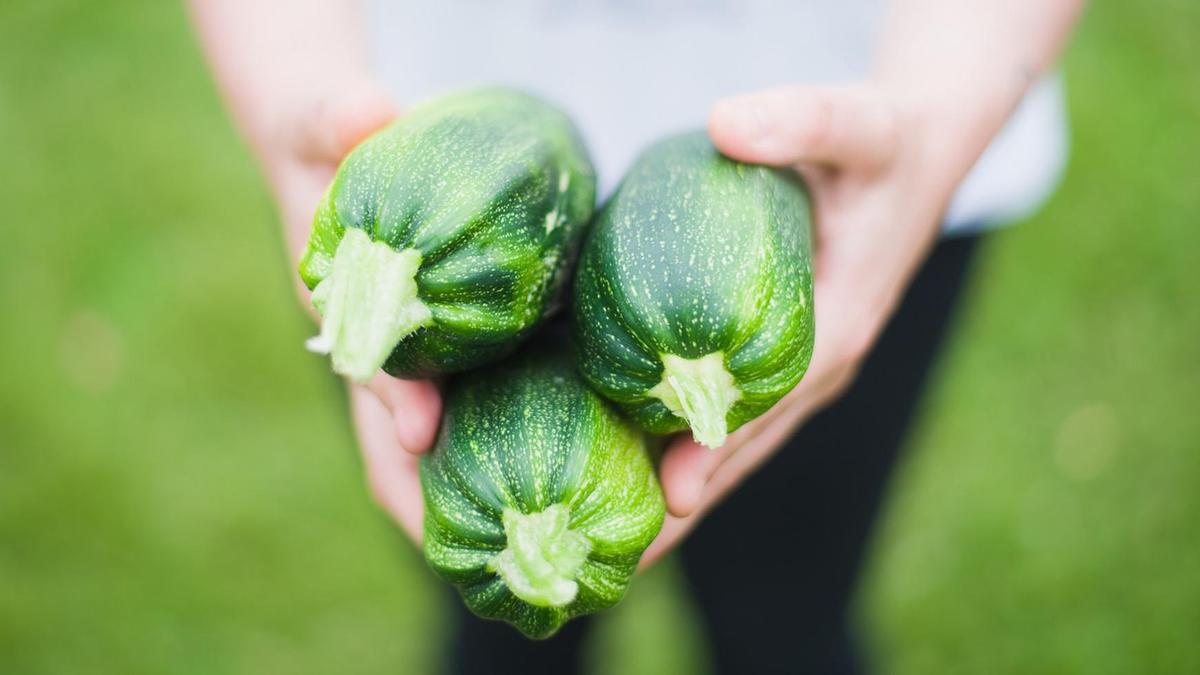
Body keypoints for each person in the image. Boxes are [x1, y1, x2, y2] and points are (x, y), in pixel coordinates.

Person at [190, 1, 1084, 672]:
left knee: (785, 612)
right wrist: (289, 88)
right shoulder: (393, 229)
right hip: (432, 151)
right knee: (502, 630)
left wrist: (939, 115)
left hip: (863, 157)